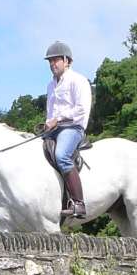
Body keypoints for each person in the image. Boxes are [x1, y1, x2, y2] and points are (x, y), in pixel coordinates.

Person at [42, 40, 93, 219]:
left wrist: (58, 119)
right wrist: (47, 125)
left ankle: (79, 204)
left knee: (62, 155)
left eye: (56, 60)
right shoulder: (50, 85)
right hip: (54, 128)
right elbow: (50, 112)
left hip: (73, 127)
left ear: (67, 61)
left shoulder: (78, 81)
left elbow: (81, 109)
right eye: (50, 61)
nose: (52, 64)